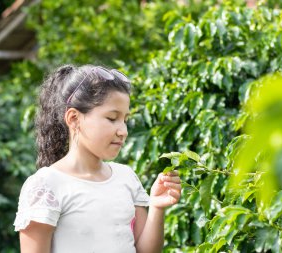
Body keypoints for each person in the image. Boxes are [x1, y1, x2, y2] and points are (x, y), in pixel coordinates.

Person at [13, 64, 182, 253]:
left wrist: (157, 208)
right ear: (74, 118)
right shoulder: (46, 186)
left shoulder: (126, 177)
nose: (123, 131)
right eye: (112, 118)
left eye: (125, 120)